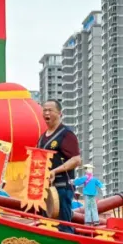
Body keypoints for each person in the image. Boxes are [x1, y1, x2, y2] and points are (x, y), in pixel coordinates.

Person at [38, 99, 82, 232]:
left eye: (50, 110)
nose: (46, 113)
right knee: (45, 224)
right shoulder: (42, 137)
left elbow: (76, 160)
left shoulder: (66, 134)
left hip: (62, 187)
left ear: (59, 113)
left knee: (63, 225)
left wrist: (55, 171)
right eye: (44, 110)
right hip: (45, 188)